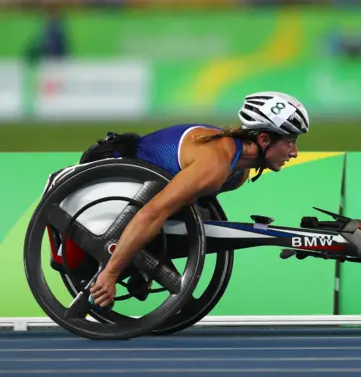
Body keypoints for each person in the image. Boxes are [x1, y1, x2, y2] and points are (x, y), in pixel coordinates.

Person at [88, 91, 310, 308]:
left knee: (202, 216)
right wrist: (111, 273)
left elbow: (183, 213)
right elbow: (152, 213)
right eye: (290, 142)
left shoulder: (237, 174)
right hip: (104, 181)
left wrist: (148, 267)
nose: (294, 153)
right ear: (263, 139)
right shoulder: (215, 165)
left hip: (136, 193)